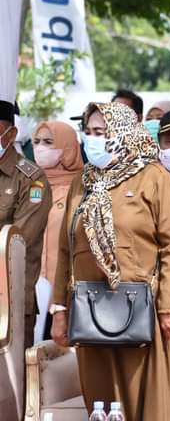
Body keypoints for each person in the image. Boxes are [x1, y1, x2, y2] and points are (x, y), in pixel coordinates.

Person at [50, 102, 170, 421]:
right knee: (101, 399)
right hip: (89, 307)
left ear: (123, 132)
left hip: (139, 307)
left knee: (143, 397)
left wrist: (168, 307)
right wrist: (59, 310)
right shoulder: (83, 181)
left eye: (101, 132)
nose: (93, 139)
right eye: (88, 132)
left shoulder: (152, 177)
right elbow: (65, 249)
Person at [0, 101, 52, 348]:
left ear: (11, 134)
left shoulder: (31, 179)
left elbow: (17, 242)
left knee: (9, 373)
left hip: (10, 303)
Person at [33, 121, 84, 338]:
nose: (40, 148)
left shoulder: (82, 188)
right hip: (31, 295)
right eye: (36, 142)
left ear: (68, 147)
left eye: (48, 142)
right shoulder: (31, 185)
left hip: (66, 297)